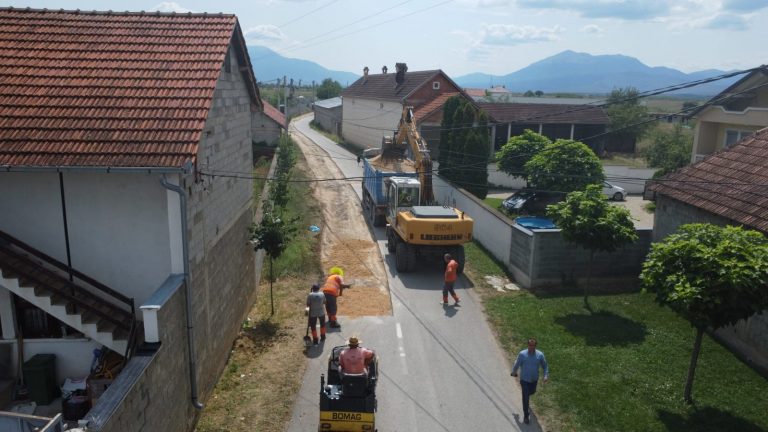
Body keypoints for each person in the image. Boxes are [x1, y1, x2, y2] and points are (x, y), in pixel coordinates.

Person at [511, 338, 549, 424]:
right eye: (530, 345)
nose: (531, 347)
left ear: (535, 346)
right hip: (524, 380)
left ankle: (526, 398)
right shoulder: (522, 354)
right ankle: (526, 415)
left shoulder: (540, 355)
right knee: (526, 396)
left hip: (534, 380)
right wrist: (514, 372)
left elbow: (545, 366)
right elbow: (517, 365)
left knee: (532, 392)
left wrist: (545, 375)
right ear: (527, 345)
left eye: (533, 345)